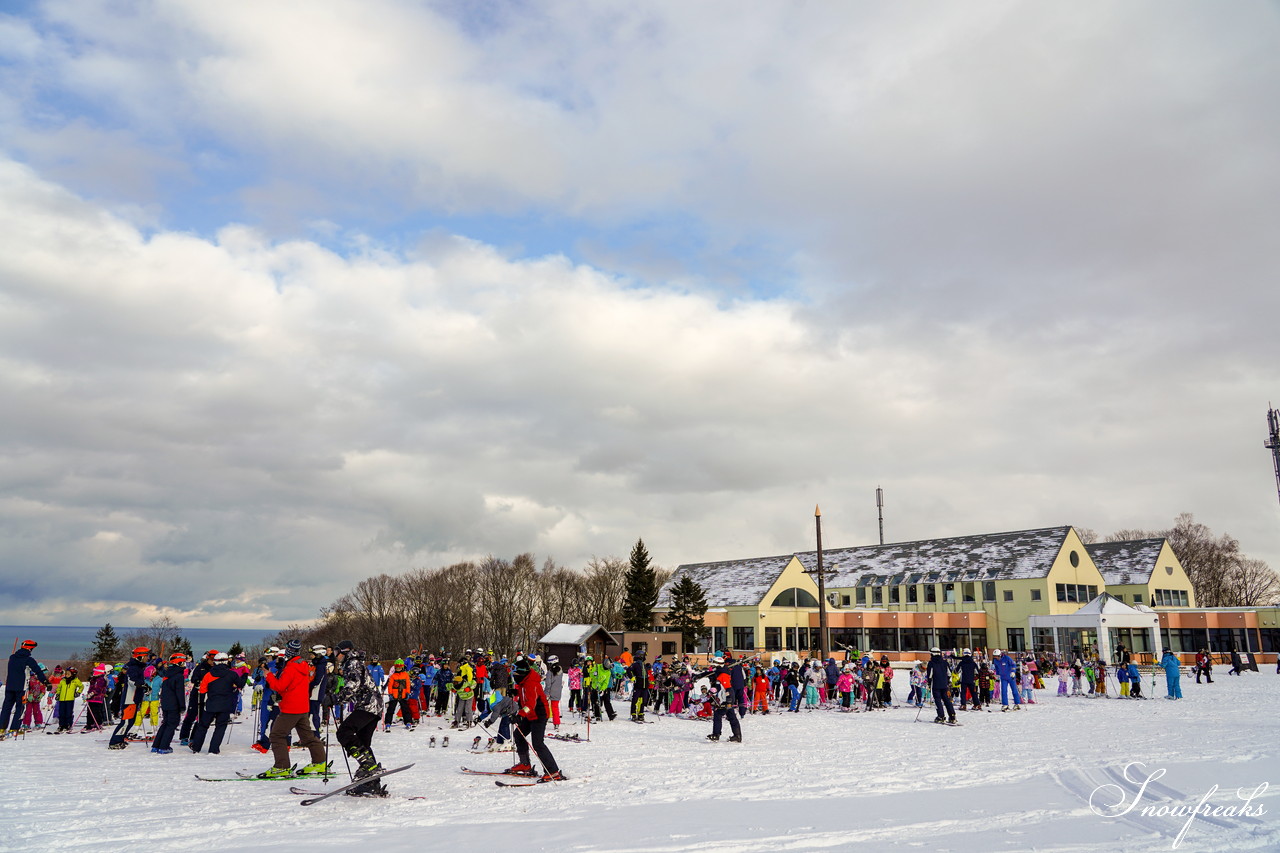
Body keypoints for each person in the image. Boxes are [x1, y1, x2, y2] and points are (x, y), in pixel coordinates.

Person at [259, 639, 329, 778]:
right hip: (302, 706)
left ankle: (282, 767)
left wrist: (269, 676)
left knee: (276, 735)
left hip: (291, 708)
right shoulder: (302, 664)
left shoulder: (291, 667)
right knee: (307, 736)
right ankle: (319, 762)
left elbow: (279, 686)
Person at [332, 640, 389, 797]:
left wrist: (336, 699)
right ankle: (371, 783)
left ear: (344, 652)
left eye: (337, 653)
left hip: (368, 705)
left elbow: (354, 684)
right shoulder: (354, 663)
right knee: (363, 743)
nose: (336, 657)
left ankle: (368, 765)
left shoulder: (353, 663)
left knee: (344, 732)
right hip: (372, 706)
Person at [508, 655, 565, 781]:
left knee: (537, 743)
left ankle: (553, 771)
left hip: (539, 714)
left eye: (516, 674)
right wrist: (516, 693)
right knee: (519, 734)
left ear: (521, 674)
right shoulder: (524, 682)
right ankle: (525, 764)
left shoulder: (530, 683)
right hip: (530, 714)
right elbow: (525, 696)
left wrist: (519, 715)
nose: (514, 677)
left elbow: (530, 704)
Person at [189, 652, 245, 754]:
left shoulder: (208, 675)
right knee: (220, 727)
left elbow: (202, 691)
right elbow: (241, 684)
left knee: (203, 726)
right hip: (225, 705)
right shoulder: (232, 674)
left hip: (210, 704)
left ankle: (196, 747)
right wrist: (244, 675)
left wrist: (202, 703)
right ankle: (214, 749)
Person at [2, 640, 50, 738]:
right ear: (30, 648)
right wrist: (46, 682)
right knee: (20, 708)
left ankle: (1, 727)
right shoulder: (29, 660)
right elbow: (38, 671)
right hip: (21, 688)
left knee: (6, 708)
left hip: (10, 686)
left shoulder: (12, 657)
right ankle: (14, 728)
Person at [107, 647, 152, 748]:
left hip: (134, 699)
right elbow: (132, 681)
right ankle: (114, 742)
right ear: (139, 657)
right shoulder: (133, 667)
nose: (147, 658)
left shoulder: (138, 667)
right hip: (129, 699)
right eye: (146, 656)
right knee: (126, 722)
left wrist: (145, 687)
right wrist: (143, 685)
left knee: (130, 722)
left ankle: (121, 739)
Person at [701, 655, 743, 743]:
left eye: (714, 665)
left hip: (726, 697)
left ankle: (716, 735)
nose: (712, 667)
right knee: (731, 717)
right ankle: (737, 736)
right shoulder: (720, 673)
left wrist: (728, 700)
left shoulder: (723, 675)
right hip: (723, 697)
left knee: (718, 715)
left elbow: (727, 688)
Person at [151, 653, 187, 753]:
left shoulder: (167, 673)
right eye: (183, 663)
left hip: (166, 702)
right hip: (173, 704)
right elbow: (179, 692)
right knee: (171, 724)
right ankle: (164, 746)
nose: (184, 665)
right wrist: (182, 706)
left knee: (165, 723)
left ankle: (156, 745)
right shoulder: (178, 676)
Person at [180, 650, 217, 746]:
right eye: (211, 659)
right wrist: (197, 681)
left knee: (201, 717)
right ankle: (184, 736)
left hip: (208, 695)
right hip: (197, 693)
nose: (212, 662)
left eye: (214, 660)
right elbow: (193, 677)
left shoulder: (216, 669)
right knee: (191, 715)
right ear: (208, 658)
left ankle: (194, 737)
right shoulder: (201, 667)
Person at [925, 647, 955, 724]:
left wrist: (929, 683)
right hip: (945, 685)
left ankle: (941, 716)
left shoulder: (931, 663)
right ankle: (952, 716)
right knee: (947, 700)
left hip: (936, 685)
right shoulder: (945, 662)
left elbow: (930, 675)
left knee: (938, 701)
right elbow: (949, 673)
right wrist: (947, 681)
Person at [628, 651, 648, 722]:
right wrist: (632, 677)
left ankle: (641, 713)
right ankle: (633, 714)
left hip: (645, 685)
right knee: (636, 700)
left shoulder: (643, 664)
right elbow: (628, 670)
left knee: (643, 700)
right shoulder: (635, 664)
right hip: (638, 684)